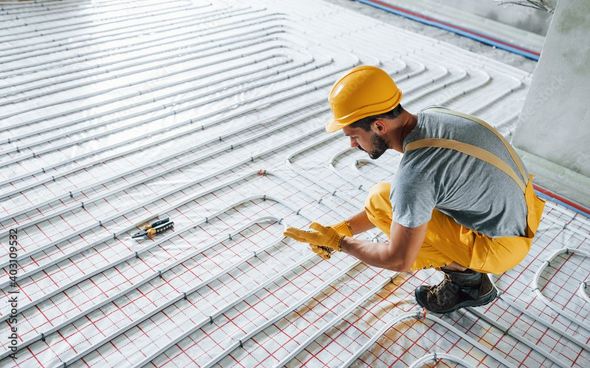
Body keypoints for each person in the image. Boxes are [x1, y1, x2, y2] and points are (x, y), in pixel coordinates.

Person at [283, 65, 545, 314]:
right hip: (522, 211)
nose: (352, 144)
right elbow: (401, 203)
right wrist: (343, 228)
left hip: (501, 246)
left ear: (379, 126)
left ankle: (468, 283)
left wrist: (340, 243)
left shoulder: (415, 177)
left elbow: (398, 259)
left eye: (353, 135)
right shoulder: (435, 116)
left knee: (395, 206)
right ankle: (469, 272)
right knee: (383, 198)